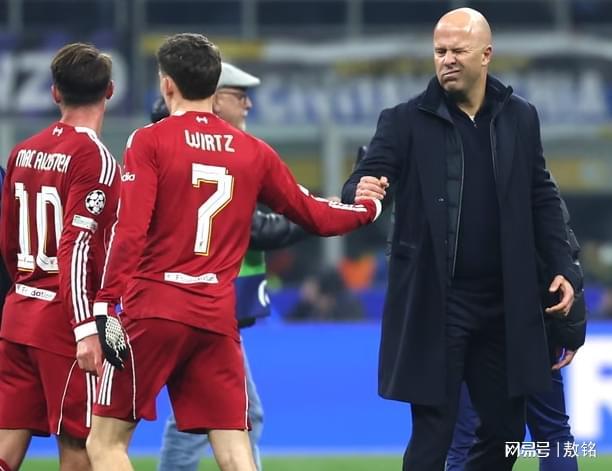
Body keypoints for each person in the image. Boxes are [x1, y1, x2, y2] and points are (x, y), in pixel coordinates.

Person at [85, 33, 381, 471]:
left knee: (106, 443)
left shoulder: (148, 141)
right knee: (235, 448)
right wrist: (368, 208)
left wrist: (105, 303)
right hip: (216, 318)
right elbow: (314, 214)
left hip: (155, 309)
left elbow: (129, 231)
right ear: (214, 85)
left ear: (167, 84)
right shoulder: (252, 151)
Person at [341, 8, 581, 470]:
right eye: (440, 51)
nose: (447, 59)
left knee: (506, 431)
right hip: (439, 304)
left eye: (457, 50)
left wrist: (564, 267)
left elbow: (542, 196)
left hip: (505, 303)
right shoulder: (404, 120)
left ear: (486, 54)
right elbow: (367, 174)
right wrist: (359, 190)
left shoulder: (520, 117)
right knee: (433, 434)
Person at [155, 62, 309, 471]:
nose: (248, 105)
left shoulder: (175, 144)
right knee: (217, 417)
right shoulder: (214, 154)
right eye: (240, 96)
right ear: (215, 98)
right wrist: (318, 214)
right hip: (201, 305)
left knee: (207, 416)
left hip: (196, 304)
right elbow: (257, 229)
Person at [0, 43, 119, 471]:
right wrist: (86, 328)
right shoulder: (95, 158)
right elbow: (78, 247)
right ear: (109, 91)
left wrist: (24, 287)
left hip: (19, 313)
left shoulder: (22, 152)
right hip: (63, 322)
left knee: (5, 446)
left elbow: (8, 241)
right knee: (79, 447)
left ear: (54, 93)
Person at [447, 197, 586, 471]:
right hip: (533, 323)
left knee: (467, 438)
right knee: (553, 433)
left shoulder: (452, 184)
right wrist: (571, 332)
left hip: (469, 323)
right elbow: (565, 254)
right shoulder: (538, 184)